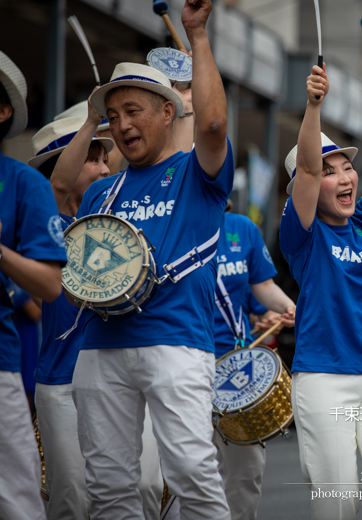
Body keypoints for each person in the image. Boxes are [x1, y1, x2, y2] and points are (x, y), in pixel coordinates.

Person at [71, 1, 234, 517]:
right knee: (109, 487)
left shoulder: (196, 173)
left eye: (133, 111)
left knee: (192, 475)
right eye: (113, 117)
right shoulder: (102, 194)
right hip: (100, 345)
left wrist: (198, 35)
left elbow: (211, 123)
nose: (121, 126)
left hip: (177, 342)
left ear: (168, 112)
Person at [280, 61, 362, 520]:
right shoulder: (302, 232)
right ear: (306, 184)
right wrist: (314, 105)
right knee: (338, 502)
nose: (346, 178)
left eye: (347, 169)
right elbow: (308, 170)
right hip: (323, 380)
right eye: (330, 172)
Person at [30, 108, 165, 519]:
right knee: (72, 500)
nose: (106, 168)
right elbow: (56, 186)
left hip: (123, 375)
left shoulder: (121, 218)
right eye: (93, 158)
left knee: (145, 487)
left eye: (106, 158)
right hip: (61, 383)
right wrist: (91, 121)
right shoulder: (45, 224)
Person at [0, 50, 67, 520]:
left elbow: (49, 285)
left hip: (2, 364)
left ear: (4, 111)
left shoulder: (24, 183)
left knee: (18, 502)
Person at [211, 199, 295, 520]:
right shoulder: (172, 228)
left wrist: (289, 309)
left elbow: (262, 287)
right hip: (186, 360)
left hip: (237, 367)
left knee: (246, 471)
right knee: (192, 468)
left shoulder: (242, 228)